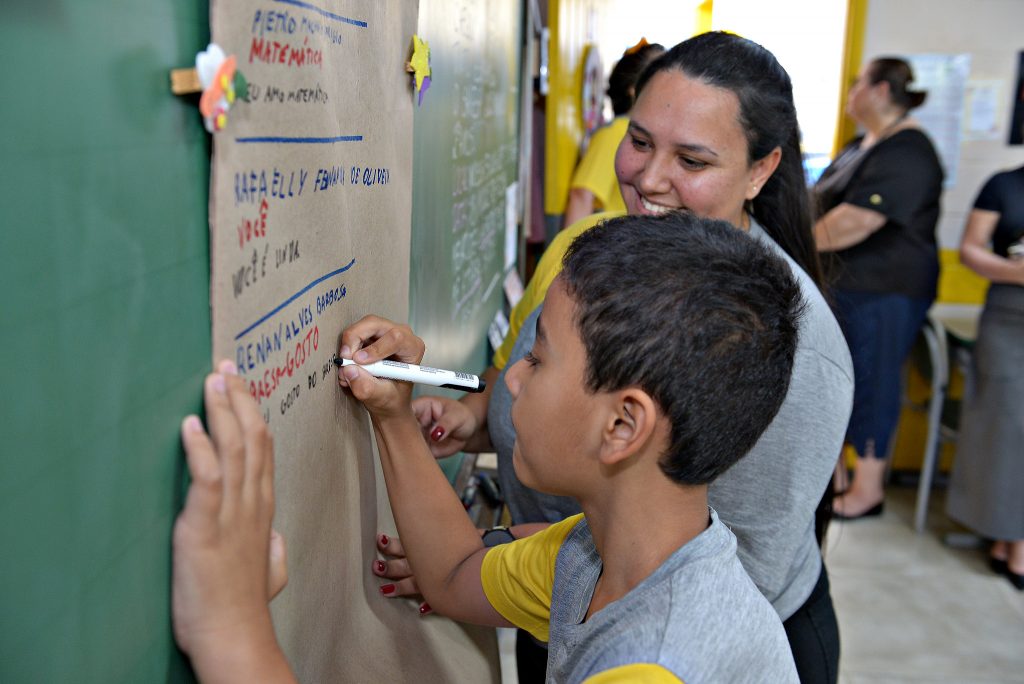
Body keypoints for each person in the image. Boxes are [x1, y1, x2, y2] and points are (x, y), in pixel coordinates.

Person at [173, 213, 803, 682]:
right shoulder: (597, 555)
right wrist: (392, 413)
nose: (513, 381)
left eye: (538, 357)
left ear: (621, 427)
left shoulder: (654, 664)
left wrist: (232, 629)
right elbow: (452, 578)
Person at [413, 32, 853, 684]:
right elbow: (532, 391)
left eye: (692, 161)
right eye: (639, 140)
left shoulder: (795, 351)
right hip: (558, 604)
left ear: (760, 170)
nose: (647, 180)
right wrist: (478, 419)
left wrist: (496, 561)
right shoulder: (592, 251)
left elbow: (741, 570)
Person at [813, 57, 944, 520]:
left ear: (883, 91)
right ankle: (838, 480)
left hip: (886, 289)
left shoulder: (909, 150)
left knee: (874, 380)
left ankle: (867, 490)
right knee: (840, 384)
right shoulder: (859, 145)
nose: (851, 92)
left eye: (858, 84)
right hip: (847, 286)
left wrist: (798, 246)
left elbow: (860, 219)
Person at [946, 164, 1024, 591]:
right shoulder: (1004, 184)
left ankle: (1012, 539)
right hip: (1009, 317)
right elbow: (971, 249)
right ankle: (1007, 534)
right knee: (1007, 427)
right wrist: (1016, 272)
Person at [562, 39, 664, 228]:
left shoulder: (656, 137)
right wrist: (569, 256)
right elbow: (581, 196)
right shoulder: (615, 134)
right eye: (658, 76)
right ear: (633, 90)